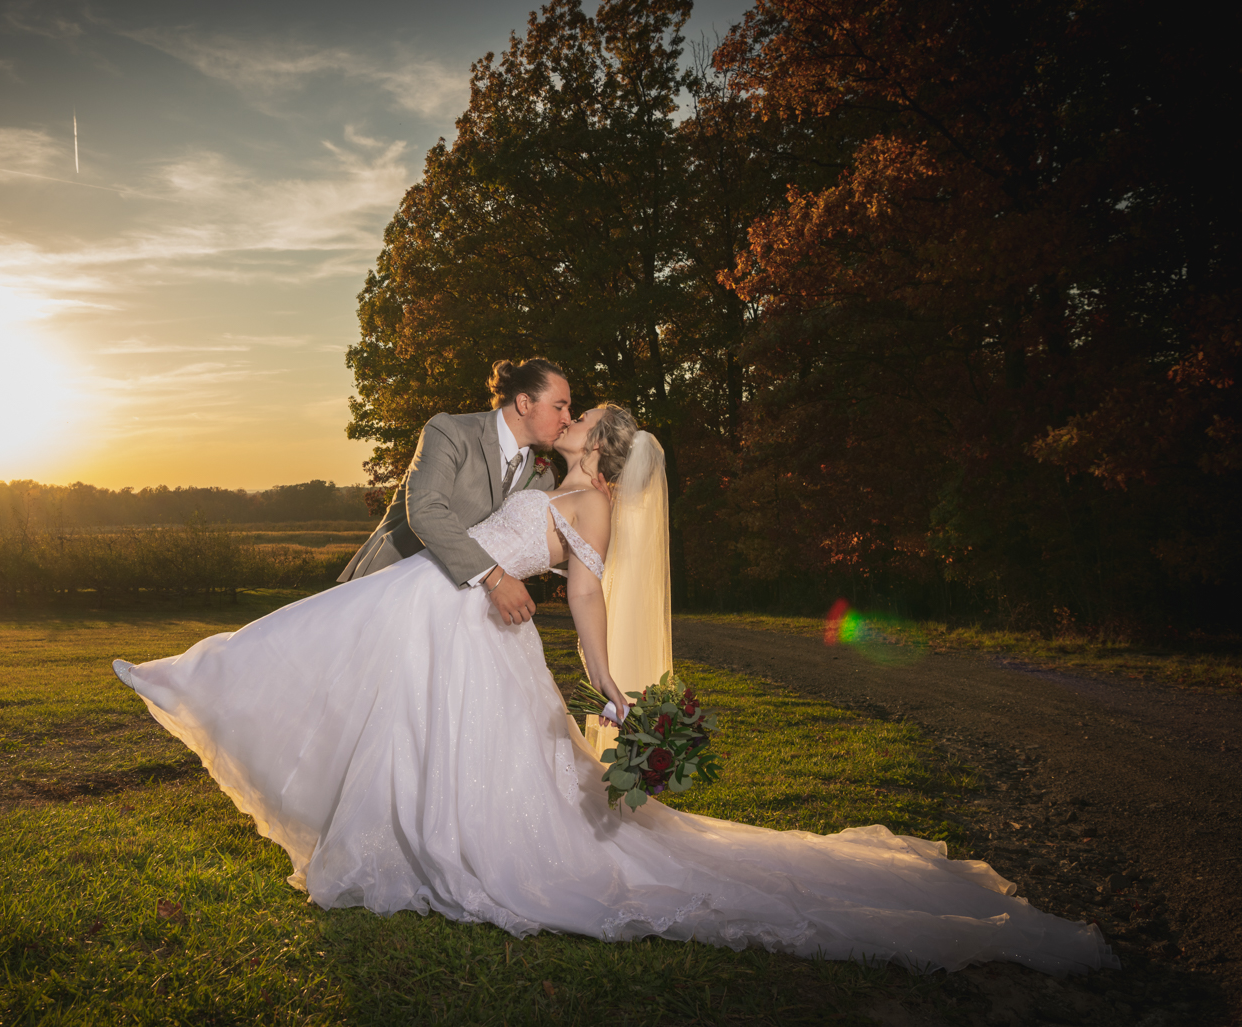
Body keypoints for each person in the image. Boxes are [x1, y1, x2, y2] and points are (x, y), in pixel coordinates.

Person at [111, 388, 1116, 977]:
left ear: (604, 447)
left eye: (582, 417)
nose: (572, 416)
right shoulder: (556, 485)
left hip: (465, 626)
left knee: (399, 720)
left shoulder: (589, 512)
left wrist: (610, 689)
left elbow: (587, 608)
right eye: (573, 407)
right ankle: (211, 687)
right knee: (325, 662)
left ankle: (358, 811)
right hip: (440, 604)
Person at [337, 357, 570, 629]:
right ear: (524, 403)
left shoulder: (545, 476)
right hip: (386, 587)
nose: (567, 418)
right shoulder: (450, 431)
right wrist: (496, 579)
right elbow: (427, 512)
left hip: (458, 615)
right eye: (559, 407)